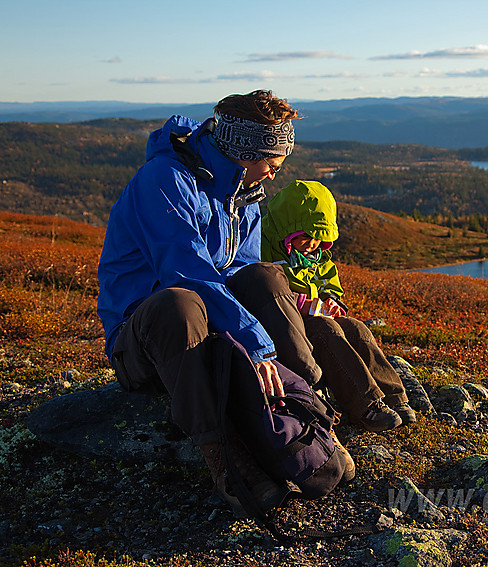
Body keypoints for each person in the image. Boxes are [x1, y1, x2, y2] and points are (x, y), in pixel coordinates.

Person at [96, 90, 353, 518]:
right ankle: (222, 454)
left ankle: (310, 406)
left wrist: (264, 345)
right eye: (271, 165)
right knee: (177, 302)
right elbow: (187, 272)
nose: (272, 176)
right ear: (244, 152)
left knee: (264, 277)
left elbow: (243, 272)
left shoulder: (243, 194)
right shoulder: (164, 180)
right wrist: (256, 344)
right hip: (148, 343)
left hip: (211, 331)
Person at [260, 179, 416, 432]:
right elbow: (270, 292)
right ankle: (365, 405)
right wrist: (305, 304)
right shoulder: (265, 251)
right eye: (305, 237)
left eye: (319, 238)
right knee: (327, 331)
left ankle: (394, 397)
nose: (312, 244)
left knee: (356, 328)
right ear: (284, 231)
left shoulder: (316, 256)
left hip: (317, 313)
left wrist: (333, 300)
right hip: (289, 326)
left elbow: (330, 282)